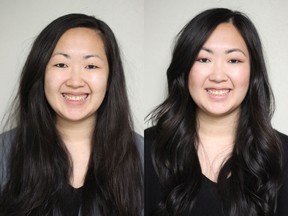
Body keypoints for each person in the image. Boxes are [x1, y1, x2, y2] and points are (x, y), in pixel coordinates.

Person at [145, 8, 288, 216]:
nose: (218, 76)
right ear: (184, 70)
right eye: (203, 59)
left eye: (234, 60)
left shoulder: (282, 155)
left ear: (253, 72)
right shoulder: (146, 149)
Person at [0, 13, 143, 216]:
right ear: (40, 72)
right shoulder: (5, 151)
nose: (75, 81)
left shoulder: (142, 154)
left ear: (111, 77)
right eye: (61, 64)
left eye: (91, 66)